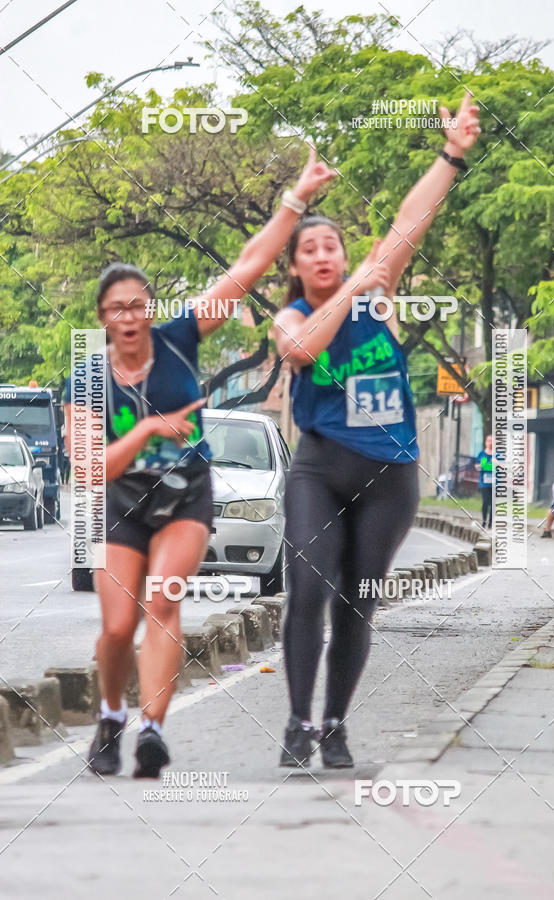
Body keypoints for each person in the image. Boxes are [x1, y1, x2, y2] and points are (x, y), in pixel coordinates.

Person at [63, 147, 336, 778]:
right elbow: (90, 470)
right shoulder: (88, 378)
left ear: (151, 310)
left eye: (139, 305)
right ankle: (110, 715)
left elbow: (246, 268)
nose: (130, 318)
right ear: (102, 319)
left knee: (163, 604)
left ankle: (153, 732)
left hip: (185, 495)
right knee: (116, 626)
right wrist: (148, 430)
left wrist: (296, 198)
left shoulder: (181, 338)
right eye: (117, 309)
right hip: (121, 503)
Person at [273, 93, 481, 768]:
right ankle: (298, 722)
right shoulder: (292, 316)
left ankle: (335, 726)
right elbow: (302, 350)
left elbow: (411, 219)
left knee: (358, 603)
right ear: (296, 266)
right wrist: (351, 287)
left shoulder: (376, 292)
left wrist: (451, 155)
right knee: (309, 589)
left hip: (389, 477)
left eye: (331, 245)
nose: (323, 254)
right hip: (321, 469)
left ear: (342, 253)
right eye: (309, 249)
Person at [475, 434, 494, 528]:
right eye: (489, 441)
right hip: (484, 483)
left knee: (493, 503)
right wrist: (480, 466)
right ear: (486, 442)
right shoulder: (481, 454)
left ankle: (491, 522)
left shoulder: (498, 455)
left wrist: (497, 463)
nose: (490, 443)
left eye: (492, 441)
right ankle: (484, 520)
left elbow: (504, 467)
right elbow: (477, 466)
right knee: (485, 502)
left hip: (495, 483)